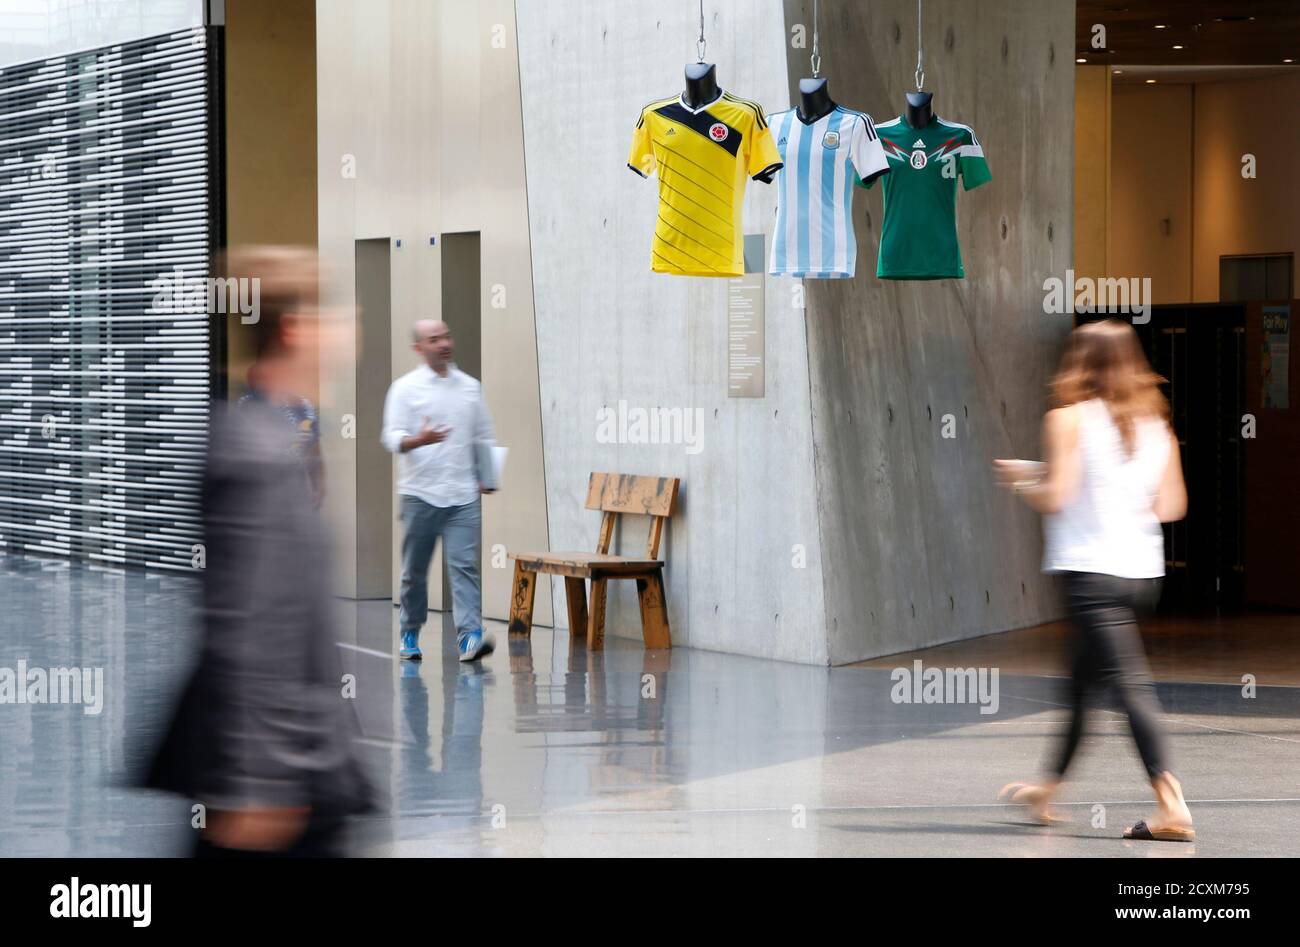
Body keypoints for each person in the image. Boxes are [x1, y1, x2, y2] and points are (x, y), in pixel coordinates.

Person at [142, 246, 373, 856]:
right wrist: (259, 783)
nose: (353, 324)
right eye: (336, 312)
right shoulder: (256, 455)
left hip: (299, 769)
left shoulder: (275, 438)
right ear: (296, 329)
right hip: (279, 789)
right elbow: (249, 627)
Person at [994, 319, 1194, 842]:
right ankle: (1046, 790)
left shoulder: (1068, 419)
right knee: (1082, 686)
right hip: (1140, 578)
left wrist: (1023, 482)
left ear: (1079, 362)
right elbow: (1172, 504)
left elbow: (1057, 497)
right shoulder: (1157, 424)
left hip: (1090, 576)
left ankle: (1172, 805)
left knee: (1129, 687)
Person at [381, 320, 497, 663]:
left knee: (465, 567)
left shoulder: (470, 387)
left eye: (446, 336)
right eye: (434, 339)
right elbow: (391, 437)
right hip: (420, 494)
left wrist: (486, 476)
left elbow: (483, 435)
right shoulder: (404, 389)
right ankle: (410, 631)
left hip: (462, 495)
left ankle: (469, 638)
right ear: (419, 348)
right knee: (414, 572)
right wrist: (420, 440)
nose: (444, 343)